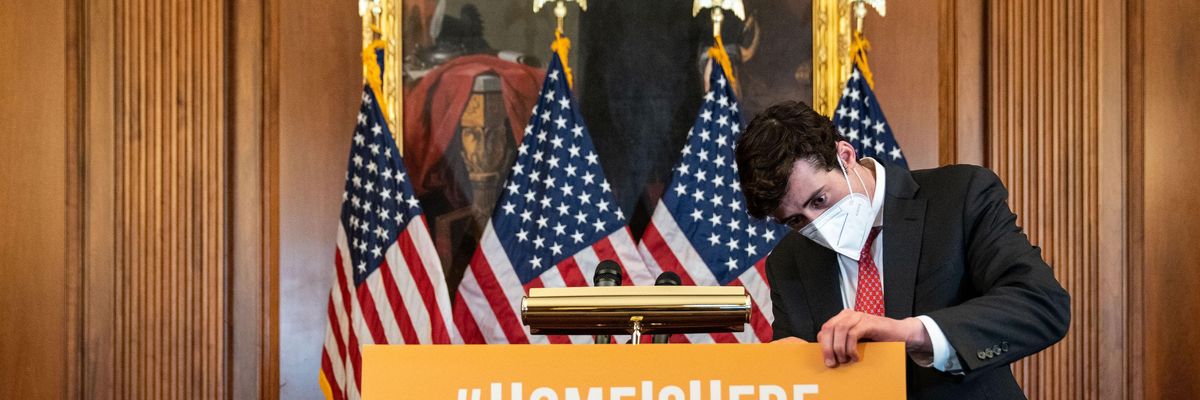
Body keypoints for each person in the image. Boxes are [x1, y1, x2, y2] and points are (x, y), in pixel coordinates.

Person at [734, 100, 1070, 399]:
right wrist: (790, 366)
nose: (816, 224)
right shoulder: (788, 261)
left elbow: (1041, 304)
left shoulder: (959, 197)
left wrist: (912, 332)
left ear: (845, 156)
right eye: (795, 220)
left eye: (820, 200)